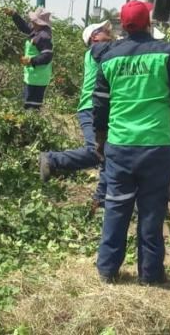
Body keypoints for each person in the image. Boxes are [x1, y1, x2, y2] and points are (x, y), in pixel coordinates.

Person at [92, 0, 170, 284]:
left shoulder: (109, 57)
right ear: (149, 23)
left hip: (120, 144)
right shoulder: (167, 52)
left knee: (116, 208)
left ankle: (107, 270)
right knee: (151, 211)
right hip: (156, 145)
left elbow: (99, 104)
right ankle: (150, 275)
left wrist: (100, 139)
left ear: (123, 26)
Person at [38, 21, 114, 212]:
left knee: (108, 153)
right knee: (96, 151)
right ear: (94, 37)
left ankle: (101, 200)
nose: (109, 31)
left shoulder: (99, 51)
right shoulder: (97, 50)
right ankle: (52, 159)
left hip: (100, 107)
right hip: (92, 108)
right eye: (104, 30)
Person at [5, 7, 54, 109]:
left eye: (34, 20)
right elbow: (25, 27)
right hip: (33, 75)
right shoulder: (37, 30)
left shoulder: (43, 36)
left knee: (31, 106)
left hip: (38, 77)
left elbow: (47, 56)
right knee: (28, 104)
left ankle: (31, 118)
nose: (32, 22)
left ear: (39, 23)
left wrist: (31, 60)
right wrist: (14, 14)